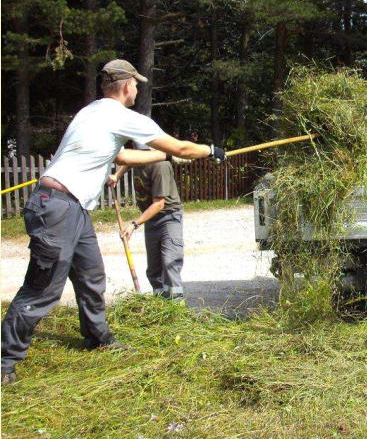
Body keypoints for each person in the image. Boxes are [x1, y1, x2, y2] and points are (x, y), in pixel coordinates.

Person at [0, 59, 226, 385]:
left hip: (72, 208)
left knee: (92, 275)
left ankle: (96, 337)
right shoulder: (121, 116)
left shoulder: (92, 112)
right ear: (125, 86)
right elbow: (180, 146)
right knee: (43, 288)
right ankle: (6, 359)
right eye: (136, 84)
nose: (137, 89)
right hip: (57, 207)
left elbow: (121, 156)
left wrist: (164, 156)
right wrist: (210, 150)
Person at [110, 148, 185, 301]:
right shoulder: (140, 157)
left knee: (169, 263)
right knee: (154, 270)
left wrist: (134, 224)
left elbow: (159, 204)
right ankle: (159, 304)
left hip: (168, 217)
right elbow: (128, 162)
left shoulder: (160, 165)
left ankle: (176, 308)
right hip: (151, 218)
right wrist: (117, 175)